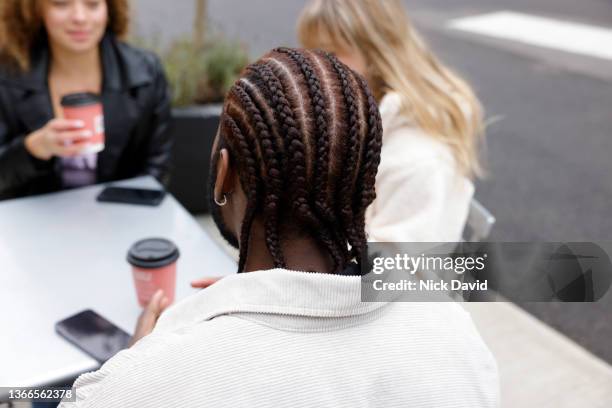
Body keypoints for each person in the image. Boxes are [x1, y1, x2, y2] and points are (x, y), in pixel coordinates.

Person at [59, 48, 498, 407]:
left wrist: (138, 360)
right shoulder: (454, 334)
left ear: (224, 174)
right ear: (363, 179)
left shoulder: (141, 385)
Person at [298, 0, 485, 242]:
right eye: (309, 53)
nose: (312, 67)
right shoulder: (353, 114)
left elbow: (393, 273)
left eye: (331, 53)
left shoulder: (418, 161)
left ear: (375, 52)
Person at [0, 0, 172, 201]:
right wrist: (32, 149)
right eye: (61, 4)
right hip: (30, 220)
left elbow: (157, 168)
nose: (80, 18)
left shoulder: (146, 74)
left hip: (121, 218)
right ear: (36, 10)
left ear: (109, 9)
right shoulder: (7, 78)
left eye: (92, 4)